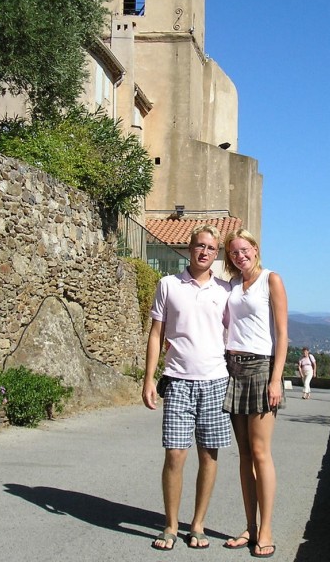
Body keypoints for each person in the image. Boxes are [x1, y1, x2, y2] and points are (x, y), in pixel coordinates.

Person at [142, 225, 232, 551]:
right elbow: (156, 333)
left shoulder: (225, 291)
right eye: (199, 246)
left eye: (210, 247)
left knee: (209, 456)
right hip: (177, 381)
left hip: (215, 382)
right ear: (190, 249)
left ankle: (197, 524)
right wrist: (148, 378)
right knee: (175, 456)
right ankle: (169, 525)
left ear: (216, 252)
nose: (204, 252)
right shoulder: (168, 285)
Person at [222, 228, 288, 559]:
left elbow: (282, 333)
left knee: (261, 453)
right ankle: (250, 526)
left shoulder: (271, 280)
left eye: (244, 250)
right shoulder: (233, 285)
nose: (239, 256)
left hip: (262, 370)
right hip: (233, 369)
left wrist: (276, 379)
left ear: (255, 248)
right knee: (244, 454)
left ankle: (266, 529)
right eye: (233, 252)